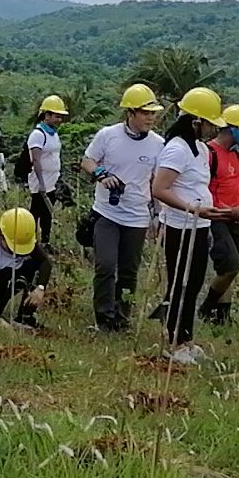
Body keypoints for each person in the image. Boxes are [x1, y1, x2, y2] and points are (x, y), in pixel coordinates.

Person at [151, 87, 239, 355]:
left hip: (200, 225)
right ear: (195, 122)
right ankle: (175, 341)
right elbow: (159, 188)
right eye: (210, 124)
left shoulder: (201, 149)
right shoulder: (177, 149)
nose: (214, 130)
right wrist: (192, 209)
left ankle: (186, 337)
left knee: (195, 282)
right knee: (181, 283)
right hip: (181, 226)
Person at [81, 83, 166, 332]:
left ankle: (122, 318)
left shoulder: (158, 144)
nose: (151, 118)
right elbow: (87, 160)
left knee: (129, 272)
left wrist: (158, 215)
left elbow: (156, 180)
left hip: (137, 217)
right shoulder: (108, 135)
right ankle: (103, 318)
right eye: (145, 113)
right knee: (105, 265)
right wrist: (100, 174)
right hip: (107, 211)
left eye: (153, 113)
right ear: (131, 113)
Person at [199, 103, 239, 326]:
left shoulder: (236, 156)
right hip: (216, 219)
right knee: (230, 266)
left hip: (234, 218)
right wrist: (227, 211)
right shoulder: (210, 153)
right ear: (233, 129)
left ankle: (222, 317)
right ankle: (206, 309)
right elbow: (205, 190)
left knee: (231, 269)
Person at [25, 95, 69, 246]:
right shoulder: (38, 135)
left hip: (52, 181)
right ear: (47, 115)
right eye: (56, 116)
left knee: (47, 214)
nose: (59, 120)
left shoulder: (54, 133)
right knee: (35, 213)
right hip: (40, 183)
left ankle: (45, 241)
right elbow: (35, 160)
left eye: (60, 117)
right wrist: (41, 184)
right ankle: (29, 240)